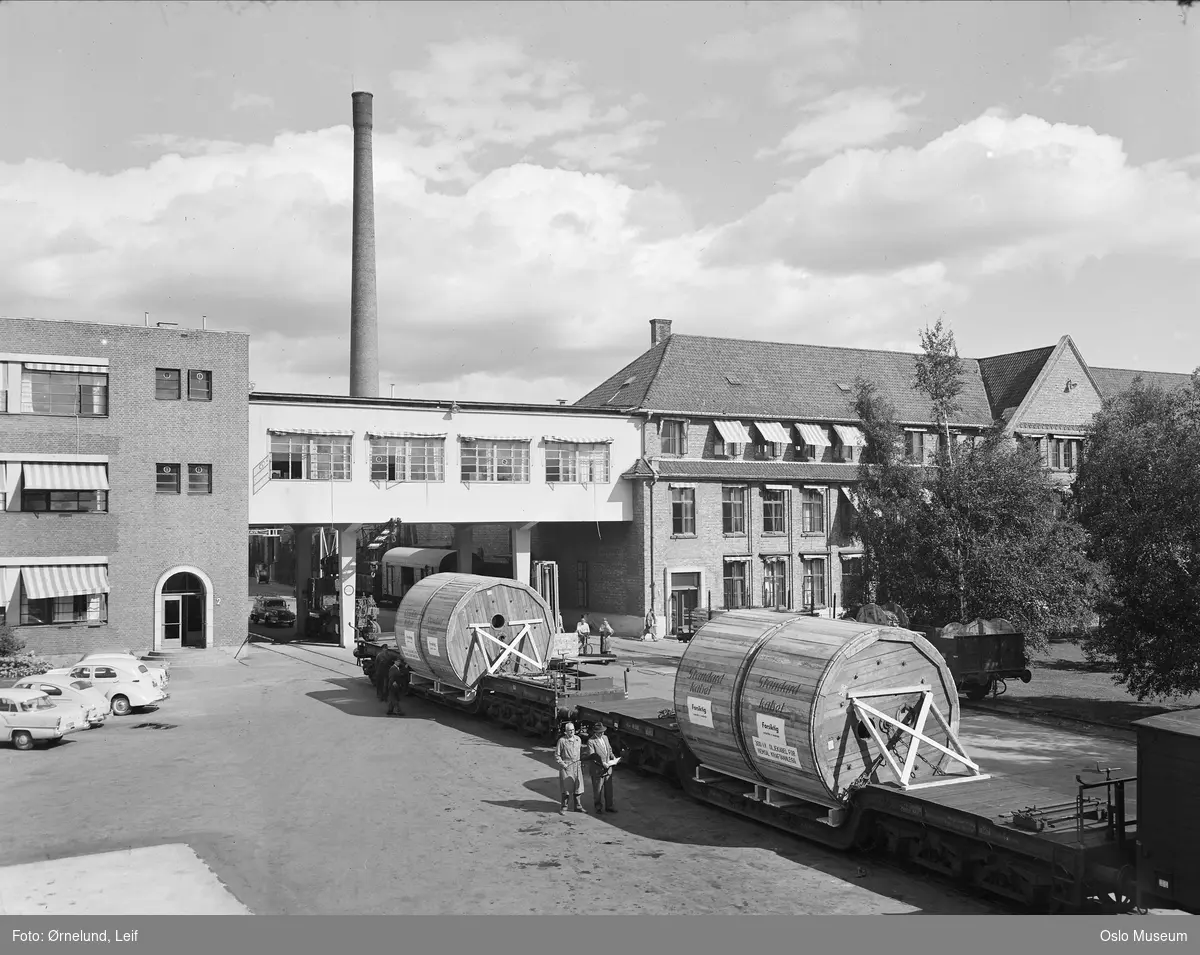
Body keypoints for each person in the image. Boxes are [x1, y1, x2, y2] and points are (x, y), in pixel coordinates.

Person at [586, 722, 621, 813]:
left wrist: (613, 757)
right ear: (596, 732)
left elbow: (609, 749)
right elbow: (592, 756)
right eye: (600, 732)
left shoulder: (605, 738)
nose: (602, 734)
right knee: (598, 790)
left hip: (608, 769)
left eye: (603, 732)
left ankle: (609, 806)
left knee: (609, 790)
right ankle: (598, 807)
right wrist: (602, 763)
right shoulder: (591, 741)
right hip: (598, 770)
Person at [555, 722, 586, 814]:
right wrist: (563, 764)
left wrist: (582, 761)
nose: (572, 732)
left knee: (578, 787)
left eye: (573, 730)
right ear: (566, 731)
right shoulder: (562, 741)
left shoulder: (578, 739)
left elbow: (581, 751)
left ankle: (578, 806)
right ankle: (564, 807)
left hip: (577, 765)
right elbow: (557, 755)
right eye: (569, 730)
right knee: (566, 788)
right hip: (567, 766)